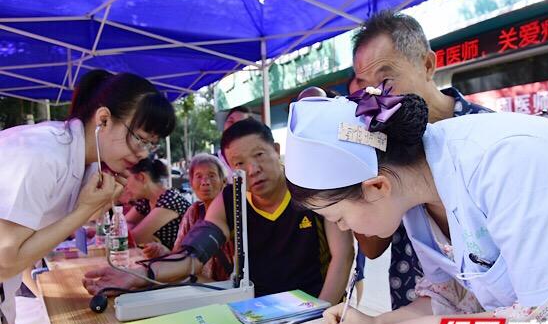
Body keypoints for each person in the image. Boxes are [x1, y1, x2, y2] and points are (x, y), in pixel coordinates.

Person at [284, 91, 548, 324]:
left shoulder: (509, 162)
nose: (343, 227)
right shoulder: (416, 196)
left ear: (377, 186)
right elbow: (455, 298)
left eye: (338, 216)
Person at [0, 69, 176, 324]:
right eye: (139, 139)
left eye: (150, 144)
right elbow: (5, 259)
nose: (142, 154)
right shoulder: (41, 153)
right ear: (104, 119)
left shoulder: (83, 164)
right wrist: (85, 210)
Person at [83, 119, 354, 303]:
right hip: (256, 312)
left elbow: (343, 257)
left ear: (276, 150)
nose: (252, 169)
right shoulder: (230, 198)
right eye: (239, 163)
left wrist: (319, 314)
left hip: (313, 306)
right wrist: (139, 276)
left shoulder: (312, 186)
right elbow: (192, 256)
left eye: (259, 155)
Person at [351, 10, 492, 310]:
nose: (376, 98)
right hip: (411, 306)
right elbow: (373, 247)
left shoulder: (486, 138)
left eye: (386, 79)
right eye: (364, 86)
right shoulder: (380, 144)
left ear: (427, 64)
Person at [144, 153, 234, 281]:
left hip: (227, 287)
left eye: (211, 176)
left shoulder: (233, 211)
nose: (205, 182)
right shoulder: (193, 212)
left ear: (223, 181)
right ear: (191, 183)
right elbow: (180, 255)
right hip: (197, 282)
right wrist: (163, 252)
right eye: (199, 176)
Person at [125, 158, 190, 250]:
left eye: (126, 179)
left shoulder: (170, 201)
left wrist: (140, 236)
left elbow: (134, 239)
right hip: (163, 260)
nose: (125, 186)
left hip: (179, 261)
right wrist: (150, 238)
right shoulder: (146, 201)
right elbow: (123, 224)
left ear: (141, 177)